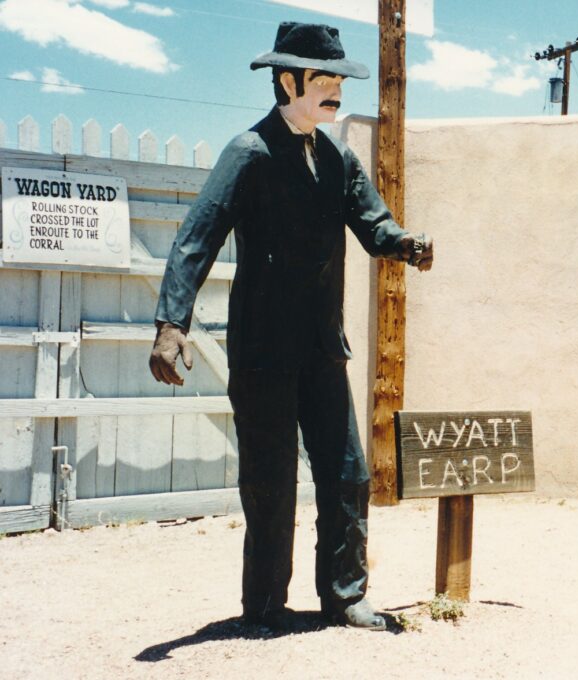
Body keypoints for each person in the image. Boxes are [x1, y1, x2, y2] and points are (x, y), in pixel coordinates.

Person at [149, 22, 433, 630]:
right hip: (263, 353)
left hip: (322, 348)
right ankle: (265, 606)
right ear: (287, 82)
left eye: (337, 79)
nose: (334, 90)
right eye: (323, 79)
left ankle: (346, 594)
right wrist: (173, 322)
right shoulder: (248, 154)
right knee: (271, 483)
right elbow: (197, 237)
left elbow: (373, 224)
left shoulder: (337, 157)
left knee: (348, 474)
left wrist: (405, 244)